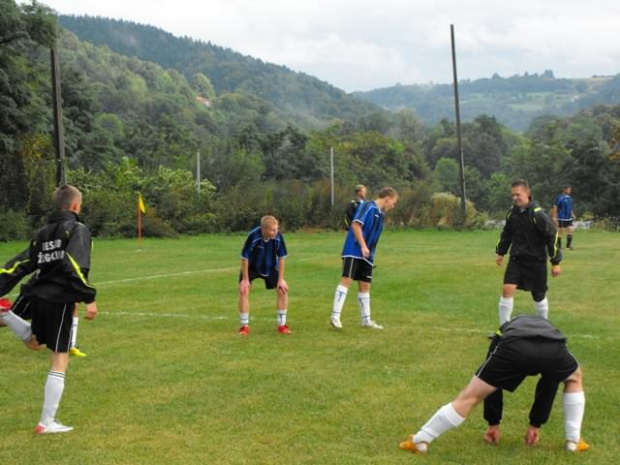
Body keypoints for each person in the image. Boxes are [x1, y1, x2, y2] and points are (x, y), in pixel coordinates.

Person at [399, 315, 589, 454]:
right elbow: (550, 384)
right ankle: (573, 441)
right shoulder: (549, 328)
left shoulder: (503, 330)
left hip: (515, 346)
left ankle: (421, 440)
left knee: (469, 396)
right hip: (553, 348)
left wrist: (493, 424)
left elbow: (493, 384)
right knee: (574, 377)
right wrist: (534, 425)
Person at [0, 184, 98, 434]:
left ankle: (5, 314)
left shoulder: (42, 232)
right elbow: (74, 265)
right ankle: (47, 422)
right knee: (59, 359)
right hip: (60, 299)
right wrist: (89, 297)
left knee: (34, 342)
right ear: (76, 206)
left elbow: (20, 264)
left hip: (39, 296)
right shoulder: (78, 229)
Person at [330, 187, 398, 330]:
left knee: (365, 285)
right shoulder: (367, 206)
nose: (393, 205)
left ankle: (366, 320)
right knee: (347, 279)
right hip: (354, 250)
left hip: (367, 255)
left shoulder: (381, 215)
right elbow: (356, 225)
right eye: (394, 202)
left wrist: (370, 253)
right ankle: (335, 316)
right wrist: (362, 246)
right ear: (387, 198)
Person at [495, 179, 561, 325]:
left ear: (527, 194)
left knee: (538, 296)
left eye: (517, 194)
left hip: (536, 261)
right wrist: (501, 252)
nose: (514, 198)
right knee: (507, 289)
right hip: (517, 259)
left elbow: (552, 235)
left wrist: (555, 262)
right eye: (512, 195)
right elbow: (507, 233)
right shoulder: (512, 213)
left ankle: (545, 328)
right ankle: (503, 330)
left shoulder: (538, 214)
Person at [1, 255, 87, 357]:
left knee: (73, 306)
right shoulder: (60, 258)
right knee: (34, 343)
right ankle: (4, 313)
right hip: (31, 295)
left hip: (46, 295)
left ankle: (71, 344)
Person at [238, 215, 290, 336]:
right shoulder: (253, 236)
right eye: (273, 230)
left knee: (282, 290)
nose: (276, 232)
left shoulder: (278, 237)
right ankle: (244, 326)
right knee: (243, 290)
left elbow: (282, 257)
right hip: (251, 267)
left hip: (270, 267)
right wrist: (245, 279)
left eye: (276, 229)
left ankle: (282, 325)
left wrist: (281, 279)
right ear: (264, 230)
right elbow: (244, 258)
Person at [552, 185, 576, 250]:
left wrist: (572, 214)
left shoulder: (570, 198)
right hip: (561, 217)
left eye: (570, 190)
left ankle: (568, 246)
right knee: (560, 231)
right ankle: (559, 247)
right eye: (568, 190)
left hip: (568, 217)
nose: (569, 191)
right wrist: (554, 216)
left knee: (571, 230)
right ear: (564, 190)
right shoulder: (559, 197)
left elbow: (570, 207)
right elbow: (555, 206)